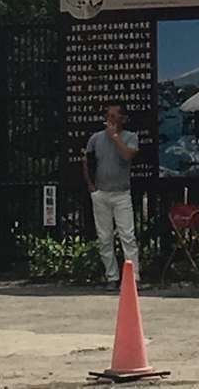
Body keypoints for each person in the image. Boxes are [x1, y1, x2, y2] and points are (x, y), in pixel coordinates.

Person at [84, 103, 140, 288]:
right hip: (101, 193)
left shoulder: (131, 137)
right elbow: (87, 162)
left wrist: (115, 137)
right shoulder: (95, 139)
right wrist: (92, 187)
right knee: (105, 237)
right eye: (108, 116)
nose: (111, 120)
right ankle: (112, 277)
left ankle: (133, 277)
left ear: (123, 119)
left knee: (127, 235)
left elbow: (127, 156)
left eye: (115, 116)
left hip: (121, 193)